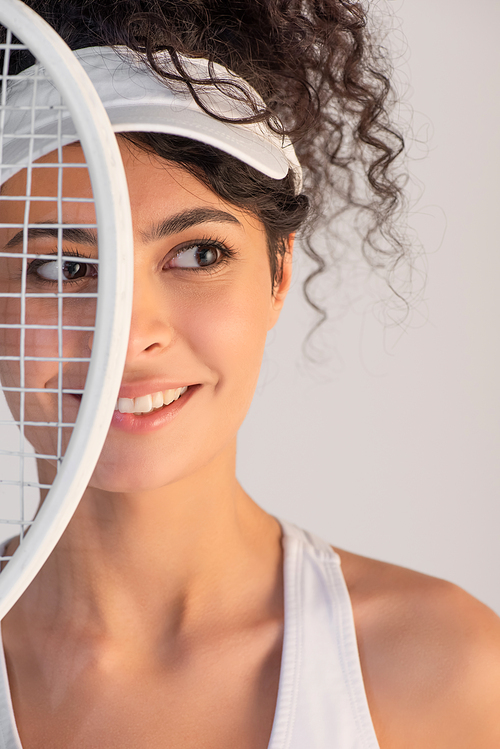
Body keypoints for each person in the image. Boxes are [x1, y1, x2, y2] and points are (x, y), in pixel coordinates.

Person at [0, 1, 499, 747]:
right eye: (60, 267)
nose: (132, 335)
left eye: (197, 254)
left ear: (277, 273)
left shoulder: (445, 670)